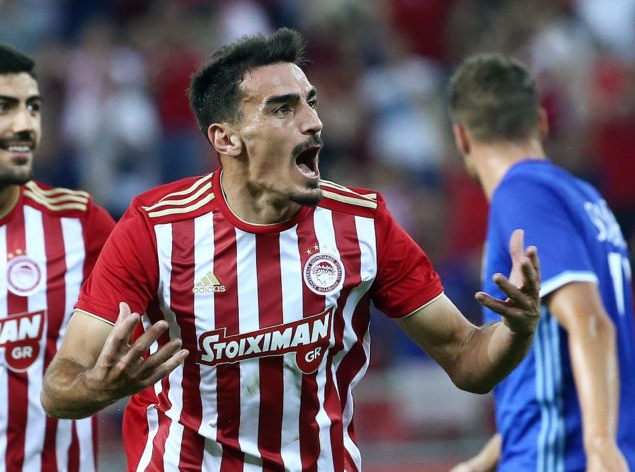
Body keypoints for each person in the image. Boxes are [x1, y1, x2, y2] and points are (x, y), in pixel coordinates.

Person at [41, 29, 541, 471]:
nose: (314, 122)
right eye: (283, 108)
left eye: (311, 102)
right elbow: (59, 385)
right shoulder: (156, 229)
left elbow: (466, 359)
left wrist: (516, 332)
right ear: (227, 139)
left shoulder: (362, 224)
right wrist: (97, 388)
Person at [447, 54, 635, 472]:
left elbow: (590, 321)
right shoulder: (585, 197)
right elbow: (555, 372)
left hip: (562, 460)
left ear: (462, 137)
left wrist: (600, 447)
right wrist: (485, 460)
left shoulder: (522, 194)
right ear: (541, 123)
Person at [0, 44, 115, 471]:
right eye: (4, 107)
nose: (25, 125)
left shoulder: (79, 224)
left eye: (32, 108)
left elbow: (164, 326)